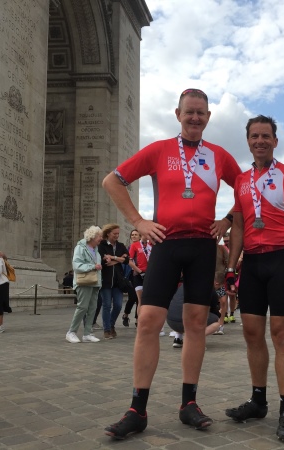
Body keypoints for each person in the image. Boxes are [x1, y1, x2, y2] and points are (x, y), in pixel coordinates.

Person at [102, 88, 241, 439]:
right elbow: (112, 181)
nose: (195, 118)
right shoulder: (159, 149)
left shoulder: (219, 155)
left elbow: (247, 187)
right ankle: (137, 408)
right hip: (166, 243)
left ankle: (188, 404)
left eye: (201, 113)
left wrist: (227, 218)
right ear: (177, 114)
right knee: (149, 321)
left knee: (196, 323)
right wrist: (138, 221)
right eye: (189, 112)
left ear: (208, 117)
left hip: (202, 246)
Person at [224, 115, 284, 442]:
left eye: (266, 136)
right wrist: (232, 268)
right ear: (248, 141)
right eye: (254, 136)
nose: (260, 141)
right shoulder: (240, 180)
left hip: (281, 257)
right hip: (253, 262)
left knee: (281, 333)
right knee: (250, 332)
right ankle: (258, 400)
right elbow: (238, 226)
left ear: (275, 141)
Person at [65, 226, 103, 343]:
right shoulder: (80, 248)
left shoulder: (95, 250)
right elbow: (76, 265)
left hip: (94, 282)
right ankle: (71, 332)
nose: (101, 239)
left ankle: (88, 333)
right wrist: (92, 266)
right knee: (82, 307)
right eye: (99, 236)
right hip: (83, 282)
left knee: (92, 308)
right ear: (92, 236)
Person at [98, 223, 129, 340]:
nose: (117, 235)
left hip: (118, 281)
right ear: (108, 233)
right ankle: (107, 329)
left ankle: (111, 324)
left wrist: (114, 258)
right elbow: (104, 262)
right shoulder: (101, 245)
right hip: (105, 280)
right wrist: (119, 259)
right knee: (106, 305)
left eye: (118, 233)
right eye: (114, 233)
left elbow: (126, 260)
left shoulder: (121, 245)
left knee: (118, 305)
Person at [167, 283, 221, 347]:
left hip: (171, 321)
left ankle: (178, 338)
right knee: (216, 322)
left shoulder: (183, 285)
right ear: (216, 284)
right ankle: (193, 339)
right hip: (185, 322)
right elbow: (214, 310)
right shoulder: (208, 287)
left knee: (181, 309)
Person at [123, 229, 152, 328]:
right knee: (139, 299)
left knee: (148, 299)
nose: (134, 236)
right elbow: (129, 261)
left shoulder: (151, 245)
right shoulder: (134, 246)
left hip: (149, 274)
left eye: (136, 234)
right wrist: (139, 271)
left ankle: (145, 320)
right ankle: (139, 322)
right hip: (137, 275)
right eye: (133, 235)